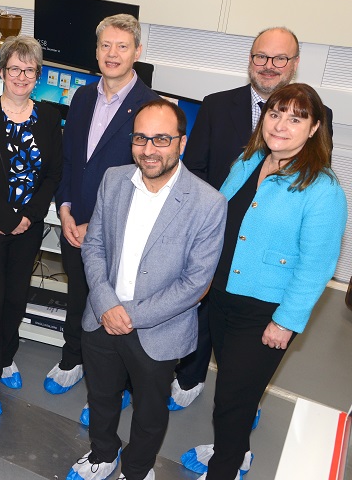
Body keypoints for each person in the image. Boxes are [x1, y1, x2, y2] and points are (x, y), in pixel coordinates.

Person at [182, 83, 347, 480]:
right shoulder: (250, 159)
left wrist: (286, 321)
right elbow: (219, 218)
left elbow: (316, 266)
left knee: (232, 400)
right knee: (236, 393)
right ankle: (234, 450)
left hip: (264, 312)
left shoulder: (323, 189)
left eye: (296, 118)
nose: (281, 125)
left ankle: (225, 466)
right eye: (275, 113)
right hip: (219, 296)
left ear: (314, 128)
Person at [171, 26, 334, 410]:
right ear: (250, 60)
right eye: (261, 56)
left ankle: (243, 404)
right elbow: (195, 170)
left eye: (280, 58)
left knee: (245, 366)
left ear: (294, 64)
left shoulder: (318, 113)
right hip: (217, 245)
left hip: (263, 266)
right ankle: (191, 379)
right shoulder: (215, 104)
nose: (269, 65)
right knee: (203, 322)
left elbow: (312, 187)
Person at [67, 99, 226, 480]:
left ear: (181, 143)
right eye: (141, 138)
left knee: (150, 412)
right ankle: (103, 454)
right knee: (101, 397)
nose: (149, 149)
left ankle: (137, 469)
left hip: (158, 330)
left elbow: (196, 283)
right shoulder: (114, 179)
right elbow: (95, 246)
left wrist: (130, 315)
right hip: (102, 316)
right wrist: (106, 304)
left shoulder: (209, 203)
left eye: (161, 139)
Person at [46, 13, 159, 401]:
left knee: (118, 303)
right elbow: (68, 160)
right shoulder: (80, 97)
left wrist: (97, 221)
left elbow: (147, 177)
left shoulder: (149, 108)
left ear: (137, 52)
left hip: (118, 228)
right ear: (96, 51)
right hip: (73, 220)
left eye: (122, 47)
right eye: (105, 45)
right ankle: (72, 358)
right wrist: (64, 207)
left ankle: (121, 383)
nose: (112, 54)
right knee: (79, 294)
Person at [0, 35, 63, 417]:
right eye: (15, 68)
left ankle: (4, 359)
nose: (22, 76)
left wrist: (28, 217)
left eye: (30, 70)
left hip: (27, 227)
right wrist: (6, 218)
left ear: (38, 75)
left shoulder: (50, 116)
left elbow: (53, 174)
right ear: (2, 71)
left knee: (14, 299)